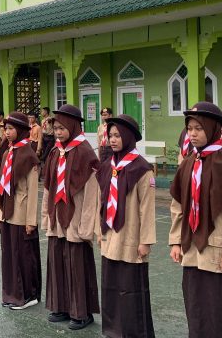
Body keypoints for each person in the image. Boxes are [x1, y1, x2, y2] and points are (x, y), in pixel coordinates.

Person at [169, 102, 222, 338]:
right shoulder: (188, 163)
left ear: (213, 128)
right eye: (190, 128)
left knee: (219, 309)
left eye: (199, 128)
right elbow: (178, 206)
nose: (193, 134)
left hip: (218, 252)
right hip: (192, 247)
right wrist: (176, 241)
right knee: (196, 306)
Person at [95, 114, 156, 338]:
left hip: (131, 237)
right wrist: (98, 231)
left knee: (131, 287)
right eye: (110, 135)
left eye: (118, 135)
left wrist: (145, 241)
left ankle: (133, 332)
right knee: (111, 285)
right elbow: (100, 202)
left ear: (129, 137)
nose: (113, 139)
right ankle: (112, 329)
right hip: (110, 235)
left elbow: (147, 209)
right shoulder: (107, 166)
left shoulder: (141, 169)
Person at [41, 104, 100, 330]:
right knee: (57, 261)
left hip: (76, 220)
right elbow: (48, 187)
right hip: (57, 218)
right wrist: (46, 217)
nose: (58, 132)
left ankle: (81, 312)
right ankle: (61, 306)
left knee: (76, 264)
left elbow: (92, 193)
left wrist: (87, 227)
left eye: (62, 128)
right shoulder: (56, 152)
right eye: (56, 128)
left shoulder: (85, 152)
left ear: (74, 126)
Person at [0, 112, 41, 310]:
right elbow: (2, 186)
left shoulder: (29, 156)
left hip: (21, 213)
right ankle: (11, 294)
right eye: (6, 129)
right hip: (7, 211)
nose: (7, 132)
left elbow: (32, 191)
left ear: (21, 131)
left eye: (11, 129)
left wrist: (31, 220)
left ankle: (28, 295)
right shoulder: (8, 152)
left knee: (23, 254)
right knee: (9, 255)